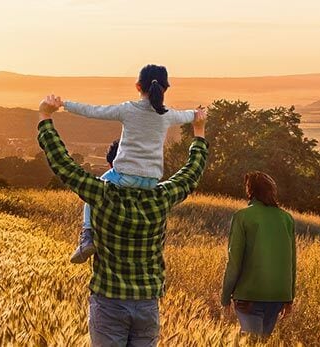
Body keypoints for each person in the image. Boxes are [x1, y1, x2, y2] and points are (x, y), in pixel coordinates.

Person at [37, 94, 209, 346]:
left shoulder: (104, 193)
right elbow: (192, 172)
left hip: (109, 302)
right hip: (147, 304)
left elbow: (63, 165)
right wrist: (199, 130)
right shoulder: (161, 198)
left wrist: (45, 117)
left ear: (120, 160)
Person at [42, 64, 206, 264]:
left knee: (91, 196)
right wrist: (199, 120)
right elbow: (192, 116)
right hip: (151, 182)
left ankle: (87, 235)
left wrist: (63, 104)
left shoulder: (128, 109)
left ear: (138, 86)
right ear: (166, 88)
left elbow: (93, 111)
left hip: (123, 176)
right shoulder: (168, 114)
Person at [220, 171, 297, 339]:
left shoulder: (242, 217)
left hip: (249, 295)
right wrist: (289, 297)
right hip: (277, 296)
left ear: (250, 190)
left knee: (250, 342)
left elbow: (234, 261)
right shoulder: (286, 218)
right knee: (262, 341)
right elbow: (292, 262)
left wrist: (225, 297)